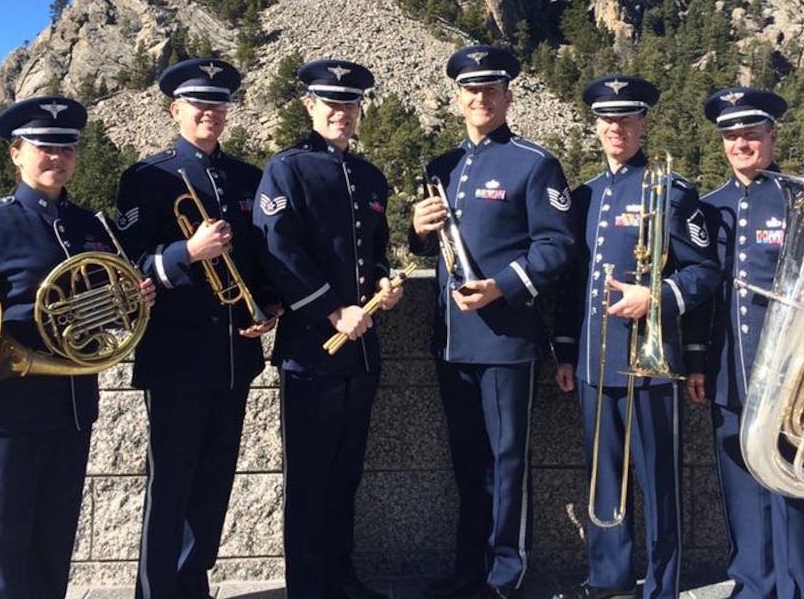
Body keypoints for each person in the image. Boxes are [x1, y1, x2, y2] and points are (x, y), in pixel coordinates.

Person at [0, 96, 155, 599]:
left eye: (67, 148)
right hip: (7, 408)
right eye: (44, 147)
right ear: (16, 154)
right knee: (3, 542)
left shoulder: (91, 226)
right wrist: (0, 362)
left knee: (53, 539)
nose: (57, 158)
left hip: (71, 406)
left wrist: (129, 301)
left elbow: (95, 309)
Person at [409, 44, 577, 599]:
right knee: (468, 463)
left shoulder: (533, 162)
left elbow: (556, 247)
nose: (480, 98)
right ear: (458, 97)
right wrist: (416, 227)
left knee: (507, 461)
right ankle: (468, 570)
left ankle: (506, 575)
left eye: (491, 90)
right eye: (470, 90)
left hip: (505, 338)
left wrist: (501, 286)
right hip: (452, 342)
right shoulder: (439, 167)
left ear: (508, 95)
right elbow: (431, 250)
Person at [115, 58, 279, 599]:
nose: (210, 112)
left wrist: (268, 306)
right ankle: (157, 591)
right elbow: (128, 264)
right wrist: (188, 251)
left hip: (234, 355)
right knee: (170, 484)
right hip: (177, 355)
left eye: (219, 103)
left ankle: (193, 586)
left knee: (213, 485)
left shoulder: (247, 178)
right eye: (198, 104)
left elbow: (260, 259)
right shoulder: (148, 176)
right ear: (175, 109)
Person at [552, 77, 720, 599]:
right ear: (596, 127)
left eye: (627, 119)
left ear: (643, 124)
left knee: (658, 482)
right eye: (607, 120)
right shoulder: (586, 196)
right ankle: (609, 578)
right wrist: (563, 350)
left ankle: (663, 583)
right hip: (593, 363)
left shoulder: (671, 190)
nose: (616, 128)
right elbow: (571, 281)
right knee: (603, 477)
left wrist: (659, 298)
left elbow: (704, 272)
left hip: (651, 365)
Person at [691, 87, 804, 599]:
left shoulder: (803, 202)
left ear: (772, 136)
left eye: (751, 134)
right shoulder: (708, 207)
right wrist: (698, 363)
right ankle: (751, 584)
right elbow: (703, 294)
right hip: (729, 371)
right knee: (741, 488)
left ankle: (795, 587)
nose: (741, 143)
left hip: (793, 376)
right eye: (732, 135)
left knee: (793, 485)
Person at [253, 58, 405, 599]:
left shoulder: (368, 176)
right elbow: (278, 249)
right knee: (311, 480)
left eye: (351, 103)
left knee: (345, 476)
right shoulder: (287, 168)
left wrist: (386, 284)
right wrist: (334, 311)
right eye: (331, 103)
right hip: (312, 351)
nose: (342, 112)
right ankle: (309, 588)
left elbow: (376, 249)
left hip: (361, 353)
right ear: (310, 106)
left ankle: (342, 580)